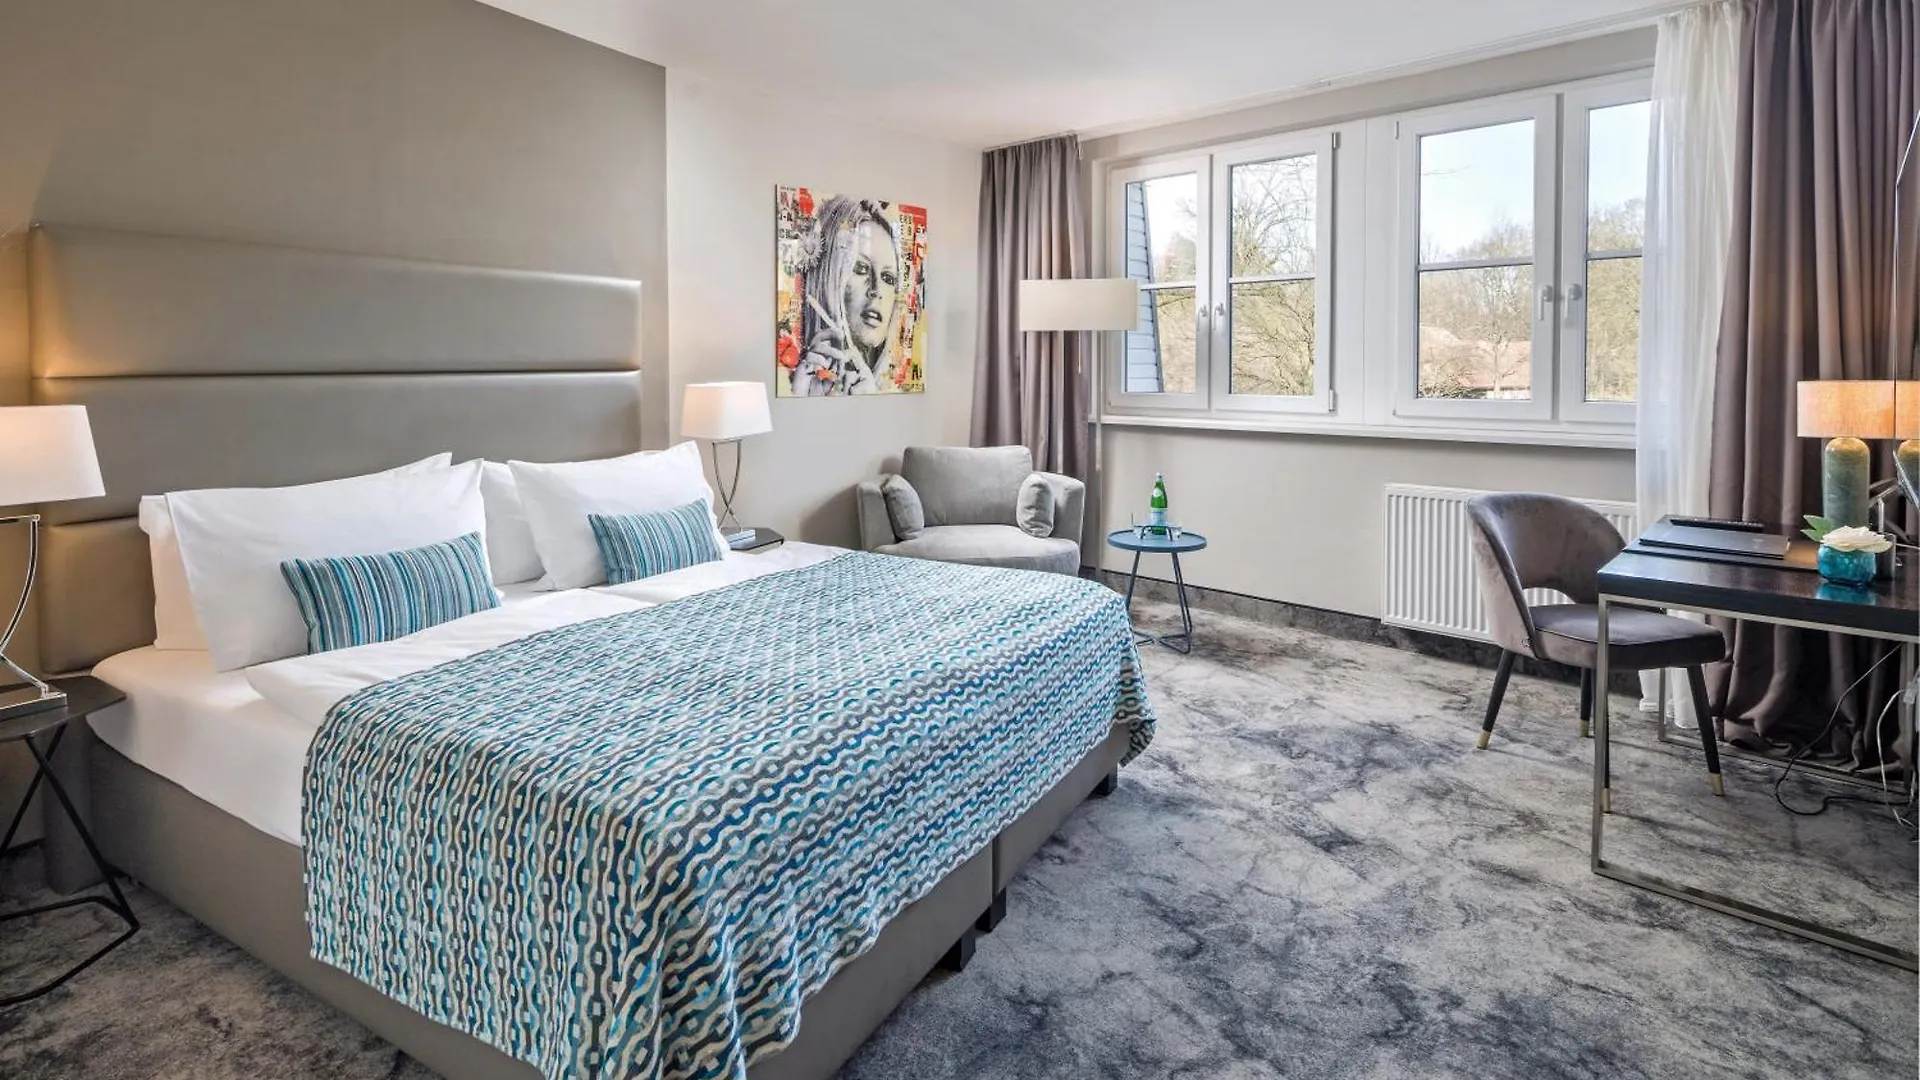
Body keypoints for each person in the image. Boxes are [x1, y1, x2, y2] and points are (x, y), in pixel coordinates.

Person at [788, 196, 902, 396]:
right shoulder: (801, 383)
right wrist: (801, 395)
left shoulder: (881, 390)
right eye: (861, 268)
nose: (877, 290)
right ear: (828, 276)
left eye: (888, 278)